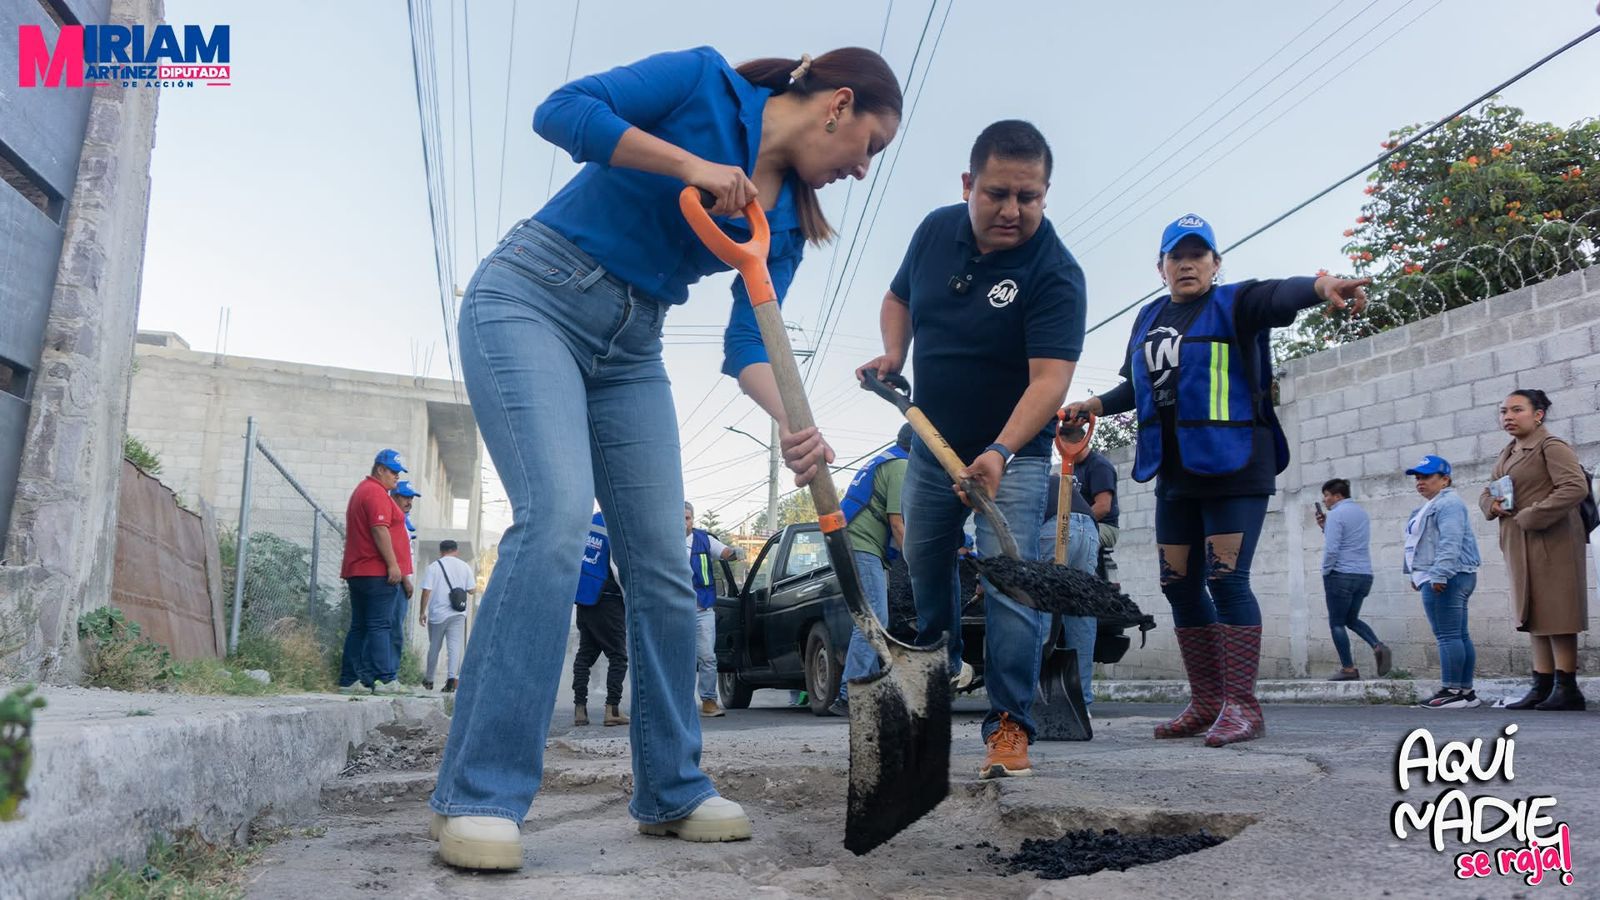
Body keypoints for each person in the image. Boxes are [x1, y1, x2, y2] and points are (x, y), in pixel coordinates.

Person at [429, 45, 900, 868]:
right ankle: (479, 795)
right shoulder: (703, 84)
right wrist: (691, 164)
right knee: (556, 519)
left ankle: (672, 788)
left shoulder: (788, 222)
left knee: (663, 565)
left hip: (631, 350)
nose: (863, 169)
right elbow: (561, 111)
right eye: (872, 145)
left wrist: (795, 421)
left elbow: (749, 342)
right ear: (838, 105)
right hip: (531, 295)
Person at [1067, 213, 1369, 748]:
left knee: (1226, 580)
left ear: (1215, 263)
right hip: (1175, 472)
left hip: (1235, 465)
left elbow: (1280, 293)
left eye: (1197, 255)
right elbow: (1137, 386)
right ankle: (1207, 702)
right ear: (1160, 267)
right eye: (1176, 256)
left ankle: (1243, 706)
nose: (1187, 264)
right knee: (1177, 584)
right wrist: (1092, 404)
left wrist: (1323, 286)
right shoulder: (1149, 318)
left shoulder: (1236, 303)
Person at [859, 120, 1086, 780]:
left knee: (1010, 584)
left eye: (1029, 196)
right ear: (968, 185)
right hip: (932, 448)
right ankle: (935, 685)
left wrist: (1000, 451)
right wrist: (894, 353)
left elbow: (1050, 381)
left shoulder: (1055, 273)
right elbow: (898, 296)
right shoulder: (936, 232)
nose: (1013, 210)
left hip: (1013, 457)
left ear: (1045, 193)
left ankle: (1009, 724)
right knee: (925, 574)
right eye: (997, 194)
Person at [1479, 390, 1590, 711]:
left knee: (1558, 612)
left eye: (1517, 410)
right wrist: (1491, 505)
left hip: (1553, 541)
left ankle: (1567, 688)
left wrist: (1533, 515)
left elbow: (1574, 486)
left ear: (1538, 414)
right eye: (1504, 411)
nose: (1507, 417)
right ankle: (1541, 684)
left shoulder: (1551, 446)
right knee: (1534, 612)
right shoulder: (1508, 452)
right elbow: (1488, 490)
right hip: (1520, 543)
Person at [828, 424, 911, 718]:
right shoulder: (901, 465)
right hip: (860, 545)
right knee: (873, 620)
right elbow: (897, 522)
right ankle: (850, 695)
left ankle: (874, 693)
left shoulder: (884, 459)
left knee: (869, 619)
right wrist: (914, 563)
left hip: (846, 542)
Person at [1403, 455, 1482, 709]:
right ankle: (1466, 693)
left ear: (1445, 479)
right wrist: (1414, 573)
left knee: (1447, 636)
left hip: (1447, 576)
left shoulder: (1448, 504)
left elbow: (1450, 541)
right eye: (1417, 478)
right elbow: (1417, 544)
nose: (1420, 482)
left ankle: (1451, 691)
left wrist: (1438, 574)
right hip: (1448, 574)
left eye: (1427, 477)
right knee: (1458, 635)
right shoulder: (1433, 505)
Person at [337, 449, 410, 694]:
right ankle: (386, 679)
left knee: (359, 625)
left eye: (399, 472)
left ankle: (349, 680)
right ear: (380, 469)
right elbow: (380, 529)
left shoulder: (363, 490)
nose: (397, 476)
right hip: (375, 570)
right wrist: (393, 564)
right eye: (393, 471)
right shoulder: (375, 492)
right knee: (380, 625)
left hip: (359, 569)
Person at [1315, 478, 1389, 681]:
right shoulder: (1361, 513)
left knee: (1337, 623)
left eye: (1327, 496)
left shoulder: (1335, 514)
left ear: (1338, 496)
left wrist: (1326, 571)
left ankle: (1348, 669)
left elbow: (1332, 549)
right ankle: (1377, 645)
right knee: (1350, 619)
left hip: (1341, 575)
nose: (1325, 500)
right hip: (1364, 575)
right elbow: (1350, 540)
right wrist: (1325, 527)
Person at [1039, 466, 1100, 709]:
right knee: (1081, 615)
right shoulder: (1044, 478)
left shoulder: (1009, 482)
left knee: (1038, 607)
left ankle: (1034, 697)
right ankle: (1081, 702)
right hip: (1089, 530)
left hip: (1055, 526)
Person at [573, 512, 629, 726]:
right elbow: (618, 568)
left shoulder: (589, 521)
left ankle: (580, 709)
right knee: (618, 656)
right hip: (608, 599)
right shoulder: (617, 521)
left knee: (585, 655)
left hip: (585, 596)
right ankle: (612, 710)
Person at [688, 501, 742, 717]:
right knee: (679, 658)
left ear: (693, 519)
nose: (683, 522)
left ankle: (709, 701)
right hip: (675, 610)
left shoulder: (704, 539)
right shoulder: (667, 541)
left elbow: (725, 552)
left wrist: (735, 553)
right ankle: (679, 702)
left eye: (687, 518)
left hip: (702, 609)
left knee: (707, 658)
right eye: (680, 518)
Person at [420, 540, 475, 693]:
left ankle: (429, 680)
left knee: (434, 647)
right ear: (456, 551)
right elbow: (472, 590)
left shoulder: (433, 567)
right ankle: (451, 680)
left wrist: (422, 612)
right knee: (454, 647)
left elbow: (426, 591)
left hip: (437, 614)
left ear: (441, 551)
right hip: (458, 613)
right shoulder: (465, 567)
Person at [1073, 441, 1120, 587]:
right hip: (1078, 524)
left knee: (1077, 540)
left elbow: (1103, 507)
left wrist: (1076, 525)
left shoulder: (1099, 466)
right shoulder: (1072, 467)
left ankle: (1093, 589)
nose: (1061, 453)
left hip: (1104, 526)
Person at [391, 480, 420, 674]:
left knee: (395, 628)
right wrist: (405, 579)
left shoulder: (403, 520)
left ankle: (389, 673)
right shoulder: (394, 520)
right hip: (397, 582)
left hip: (402, 581)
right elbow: (394, 552)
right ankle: (387, 675)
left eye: (411, 498)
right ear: (394, 496)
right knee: (393, 629)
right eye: (405, 497)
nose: (409, 502)